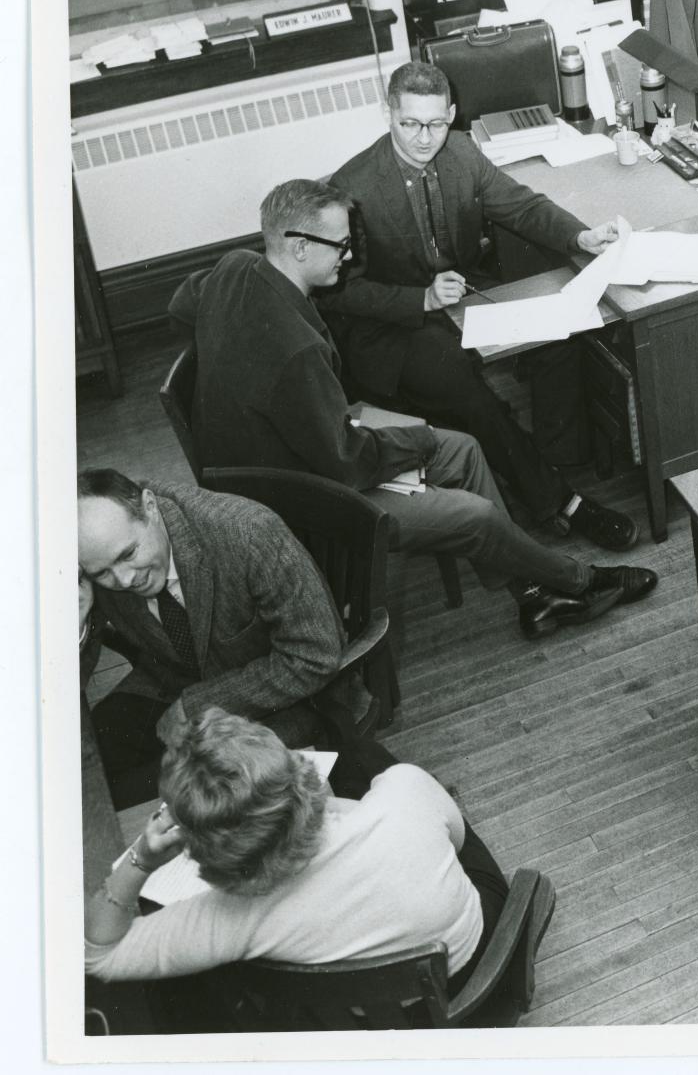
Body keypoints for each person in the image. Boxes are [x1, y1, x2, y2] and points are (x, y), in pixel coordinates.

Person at [168, 179, 655, 641]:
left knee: (463, 449)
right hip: (296, 496)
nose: (350, 255)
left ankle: (530, 592)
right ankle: (581, 581)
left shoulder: (235, 267)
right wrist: (418, 442)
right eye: (340, 245)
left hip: (290, 449)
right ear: (298, 247)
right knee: (474, 516)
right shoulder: (297, 354)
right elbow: (347, 461)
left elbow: (181, 302)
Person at [321, 59, 635, 551]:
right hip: (392, 325)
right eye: (410, 124)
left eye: (436, 124)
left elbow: (522, 205)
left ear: (451, 114)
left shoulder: (463, 152)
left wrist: (580, 234)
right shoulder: (352, 188)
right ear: (389, 115)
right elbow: (337, 289)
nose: (424, 138)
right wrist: (419, 298)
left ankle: (545, 462)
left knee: (557, 331)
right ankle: (561, 502)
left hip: (462, 295)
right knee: (468, 392)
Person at [84, 712, 509, 1000]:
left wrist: (140, 858)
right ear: (297, 771)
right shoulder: (404, 790)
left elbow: (98, 954)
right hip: (481, 960)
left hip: (381, 1014)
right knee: (380, 765)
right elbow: (453, 844)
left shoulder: (229, 918)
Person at [77, 469, 347, 808]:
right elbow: (66, 690)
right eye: (102, 573)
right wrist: (79, 620)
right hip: (170, 677)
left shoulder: (248, 534)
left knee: (167, 792)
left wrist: (197, 705)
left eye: (128, 554)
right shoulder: (96, 554)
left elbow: (315, 657)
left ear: (150, 507)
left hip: (278, 701)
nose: (124, 579)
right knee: (82, 770)